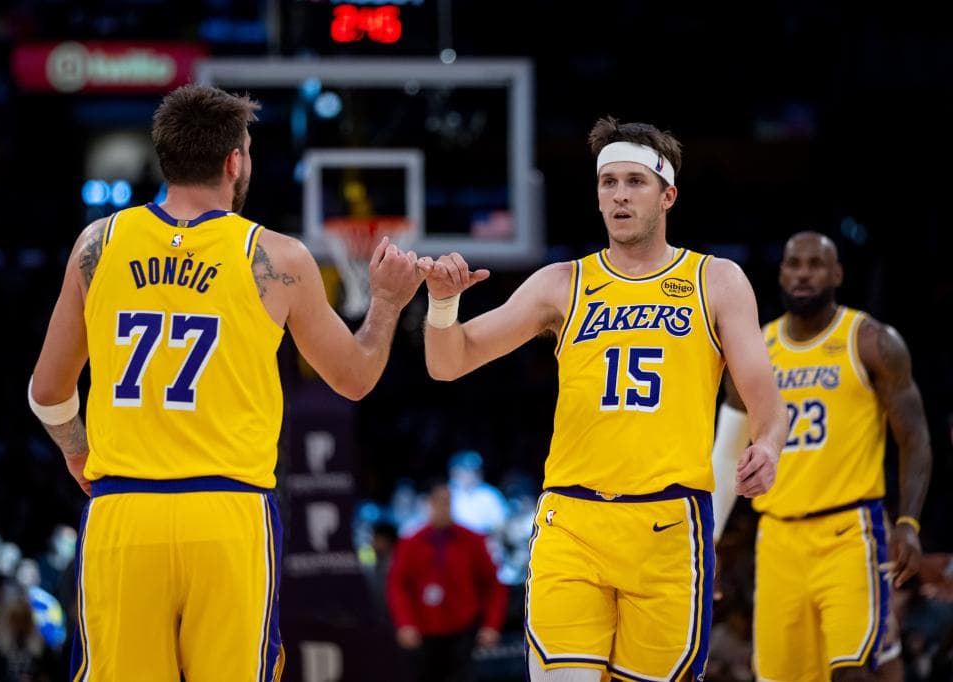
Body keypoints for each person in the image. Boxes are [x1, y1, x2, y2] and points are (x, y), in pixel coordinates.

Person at [27, 84, 424, 681]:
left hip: (124, 514)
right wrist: (388, 302)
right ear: (234, 160)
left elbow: (47, 390)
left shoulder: (98, 245)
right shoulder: (278, 259)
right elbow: (355, 378)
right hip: (228, 515)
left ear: (166, 156)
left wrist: (76, 452)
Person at [419, 116, 787, 681]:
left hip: (668, 525)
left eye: (635, 181)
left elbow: (765, 397)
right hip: (574, 522)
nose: (619, 194)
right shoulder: (561, 283)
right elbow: (448, 364)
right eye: (608, 181)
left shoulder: (715, 280)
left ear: (668, 195)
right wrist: (443, 306)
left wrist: (768, 444)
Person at [711, 231, 932, 681]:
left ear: (837, 274)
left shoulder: (871, 340)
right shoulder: (757, 351)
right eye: (794, 264)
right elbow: (726, 455)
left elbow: (915, 438)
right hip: (776, 538)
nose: (804, 274)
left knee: (853, 669)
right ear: (781, 274)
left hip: (850, 533)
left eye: (816, 264)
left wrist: (908, 524)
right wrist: (706, 541)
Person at [387, 480, 508, 682]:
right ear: (428, 504)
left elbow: (493, 585)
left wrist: (491, 625)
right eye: (438, 501)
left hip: (462, 630)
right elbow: (397, 586)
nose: (443, 507)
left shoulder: (472, 540)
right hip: (423, 632)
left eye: (447, 501)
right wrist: (404, 623)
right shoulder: (411, 542)